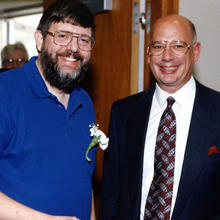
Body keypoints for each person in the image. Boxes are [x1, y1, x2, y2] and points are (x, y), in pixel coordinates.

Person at [99, 14, 220, 220]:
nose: (167, 56)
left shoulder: (216, 111)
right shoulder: (124, 113)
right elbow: (112, 196)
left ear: (196, 51)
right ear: (148, 54)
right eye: (158, 46)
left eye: (178, 46)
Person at [0, 0, 97, 219]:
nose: (73, 48)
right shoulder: (5, 92)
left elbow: (84, 181)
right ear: (40, 40)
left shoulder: (85, 103)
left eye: (83, 40)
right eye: (62, 36)